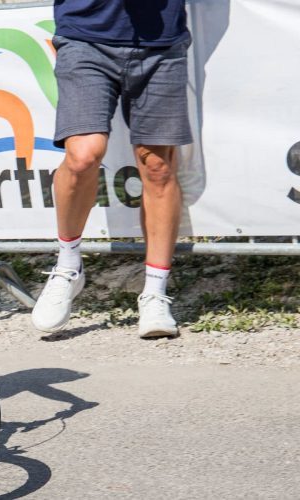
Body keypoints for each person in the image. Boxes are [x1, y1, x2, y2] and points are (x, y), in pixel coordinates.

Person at [31, 1, 193, 339]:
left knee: (158, 166)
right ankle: (68, 264)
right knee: (82, 156)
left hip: (161, 39)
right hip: (84, 34)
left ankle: (155, 292)